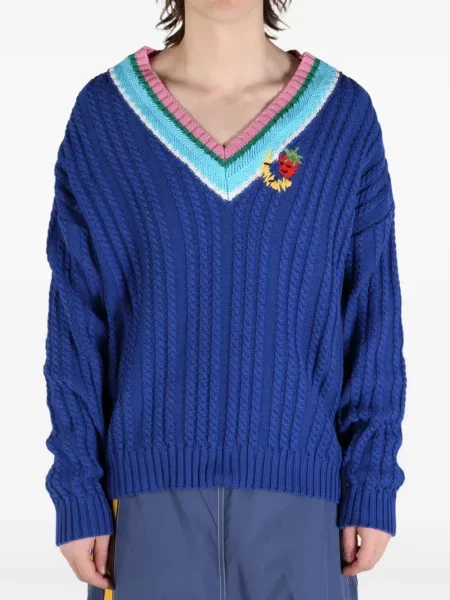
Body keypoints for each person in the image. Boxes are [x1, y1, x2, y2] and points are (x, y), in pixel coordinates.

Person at [42, 1, 407, 598]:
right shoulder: (105, 117)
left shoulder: (343, 119)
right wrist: (77, 488)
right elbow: (76, 325)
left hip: (306, 510)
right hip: (142, 510)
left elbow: (372, 318)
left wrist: (371, 479)